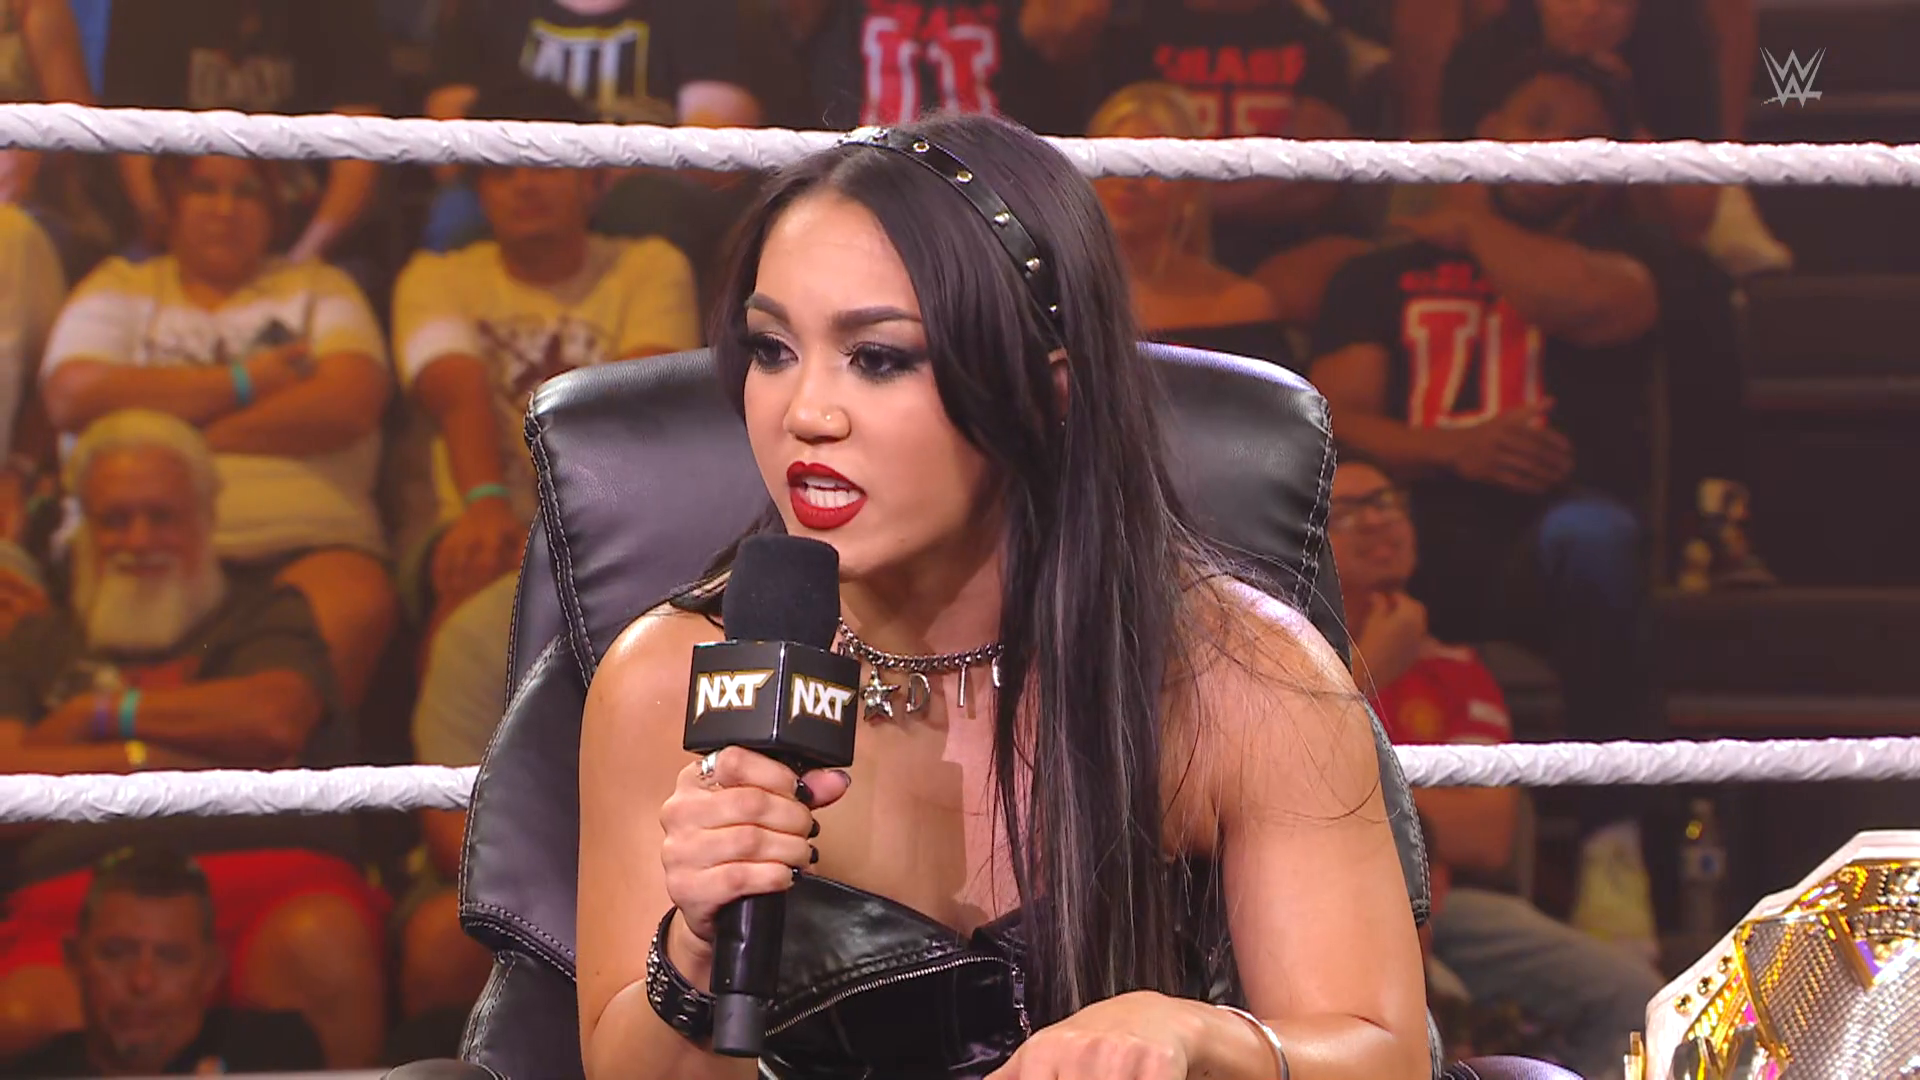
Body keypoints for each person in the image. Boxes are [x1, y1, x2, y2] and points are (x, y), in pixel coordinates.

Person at [575, 113, 1430, 1078]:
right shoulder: (670, 680)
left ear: (1047, 392)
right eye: (773, 349)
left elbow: (1381, 1057)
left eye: (879, 357)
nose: (804, 412)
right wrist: (693, 954)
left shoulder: (1242, 677)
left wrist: (1195, 1037)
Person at [1311, 53, 1686, 958]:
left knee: (1599, 540)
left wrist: (1476, 221)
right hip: (1412, 526)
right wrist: (1457, 448)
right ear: (1488, 132)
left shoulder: (1630, 266)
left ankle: (1611, 845)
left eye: (1579, 132)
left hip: (1544, 540)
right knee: (1344, 527)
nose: (1554, 143)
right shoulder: (1381, 275)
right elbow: (1331, 418)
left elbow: (1581, 300)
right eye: (1537, 119)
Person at [393, 77, 700, 1021]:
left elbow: (627, 412)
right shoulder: (437, 273)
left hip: (613, 528)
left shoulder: (648, 262)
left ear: (594, 177)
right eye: (501, 168)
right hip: (477, 528)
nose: (524, 184)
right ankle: (467, 856)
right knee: (471, 593)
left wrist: (551, 531)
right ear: (477, 188)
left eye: (545, 163)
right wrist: (490, 505)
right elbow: (456, 393)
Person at [0, 410, 389, 1067]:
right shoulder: (37, 642)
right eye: (114, 520)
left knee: (321, 945)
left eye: (162, 517)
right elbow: (10, 784)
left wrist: (100, 715)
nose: (138, 539)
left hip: (270, 885)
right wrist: (161, 757)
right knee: (24, 1015)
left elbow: (272, 721)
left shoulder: (266, 612)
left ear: (206, 519)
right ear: (84, 531)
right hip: (77, 907)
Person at [1330, 458, 1661, 1080]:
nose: (1377, 522)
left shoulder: (1454, 667)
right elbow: (1280, 780)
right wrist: (1371, 665)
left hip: (1448, 904)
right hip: (1324, 902)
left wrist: (1356, 794)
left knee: (1632, 998)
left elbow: (1487, 833)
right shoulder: (1281, 653)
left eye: (1388, 502)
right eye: (1347, 511)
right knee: (1420, 1011)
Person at [38, 153, 399, 711]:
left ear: (274, 212)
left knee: (352, 600)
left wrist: (177, 440)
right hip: (135, 535)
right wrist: (247, 381)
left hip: (302, 541)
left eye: (247, 192)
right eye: (205, 189)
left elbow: (349, 403)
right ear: (170, 205)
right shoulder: (120, 285)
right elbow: (72, 395)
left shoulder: (318, 287)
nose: (226, 209)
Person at [1098, 0, 1379, 323]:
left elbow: (1316, 177)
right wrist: (1176, 199)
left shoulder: (1313, 40)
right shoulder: (1134, 34)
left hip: (1281, 239)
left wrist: (1189, 194)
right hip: (1159, 242)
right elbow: (1118, 151)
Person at [102, 0, 391, 275]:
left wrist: (300, 261)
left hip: (309, 236)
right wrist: (172, 239)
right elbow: (131, 139)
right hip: (178, 236)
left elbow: (358, 153)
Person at [2, 846, 326, 1077]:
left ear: (211, 971)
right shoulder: (31, 1073)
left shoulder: (278, 1057)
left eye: (172, 958)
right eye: (117, 953)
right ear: (74, 960)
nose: (142, 981)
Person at [1087, 82, 1291, 369]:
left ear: (1189, 190)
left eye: (1151, 166)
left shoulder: (1243, 307)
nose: (1128, 180)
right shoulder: (1051, 293)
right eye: (1114, 159)